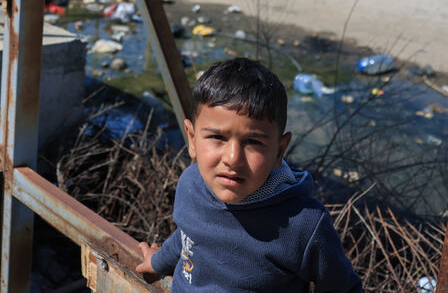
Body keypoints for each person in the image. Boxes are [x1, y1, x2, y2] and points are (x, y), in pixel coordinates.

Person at [135, 58, 362, 292]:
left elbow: (342, 288)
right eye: (217, 137)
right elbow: (187, 237)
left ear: (279, 151)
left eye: (252, 142)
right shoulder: (191, 184)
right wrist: (157, 262)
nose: (233, 158)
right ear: (192, 138)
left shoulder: (303, 225)